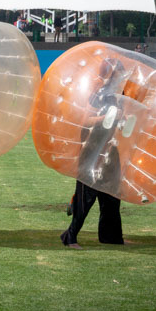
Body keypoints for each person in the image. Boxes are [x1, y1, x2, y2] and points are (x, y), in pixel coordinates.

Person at [60, 58, 126, 249]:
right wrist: (106, 118)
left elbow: (114, 120)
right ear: (109, 74)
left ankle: (111, 236)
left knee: (112, 196)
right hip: (92, 151)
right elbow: (85, 120)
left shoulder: (114, 96)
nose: (120, 79)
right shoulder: (96, 94)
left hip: (109, 150)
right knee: (85, 196)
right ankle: (69, 237)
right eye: (118, 75)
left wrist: (122, 120)